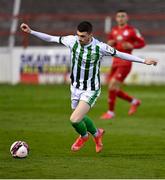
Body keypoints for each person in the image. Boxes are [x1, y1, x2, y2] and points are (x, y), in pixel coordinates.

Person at [20, 21, 157, 153]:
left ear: (90, 35)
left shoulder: (100, 47)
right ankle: (97, 134)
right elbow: (51, 38)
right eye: (78, 35)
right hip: (75, 87)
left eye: (83, 36)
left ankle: (84, 137)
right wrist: (31, 31)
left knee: (74, 119)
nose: (80, 38)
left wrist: (144, 60)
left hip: (91, 89)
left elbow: (121, 54)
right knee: (80, 115)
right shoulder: (72, 40)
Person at [101, 10, 146, 120]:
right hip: (115, 61)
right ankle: (134, 101)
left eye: (123, 16)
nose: (121, 18)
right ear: (116, 18)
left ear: (127, 18)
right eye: (119, 16)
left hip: (125, 62)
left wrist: (132, 46)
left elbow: (142, 43)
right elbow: (110, 45)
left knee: (112, 85)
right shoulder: (114, 31)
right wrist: (109, 44)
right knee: (112, 88)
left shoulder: (132, 31)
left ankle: (111, 112)